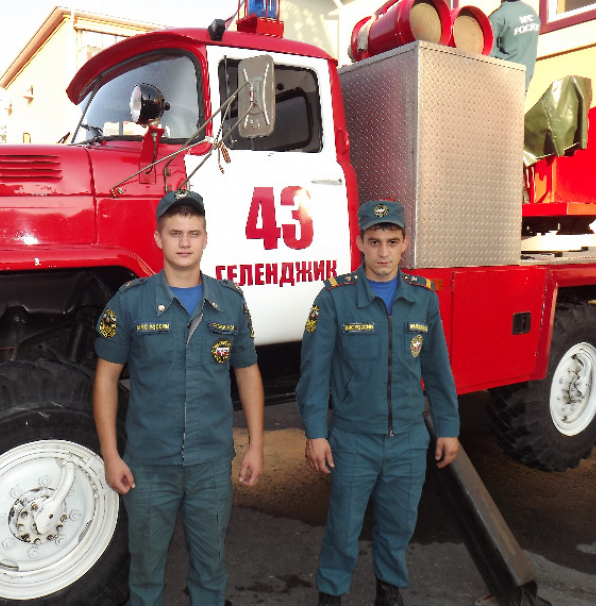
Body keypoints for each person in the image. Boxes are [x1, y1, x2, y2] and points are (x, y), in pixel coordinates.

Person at [93, 188, 265, 606]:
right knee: (145, 575)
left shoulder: (229, 302)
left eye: (193, 232)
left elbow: (248, 373)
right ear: (158, 239)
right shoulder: (130, 303)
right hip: (149, 466)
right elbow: (104, 381)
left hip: (209, 463)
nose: (185, 242)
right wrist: (111, 455)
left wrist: (257, 446)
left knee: (211, 571)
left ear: (206, 238)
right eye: (175, 233)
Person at [296, 199, 460, 606]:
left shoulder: (424, 298)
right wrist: (316, 433)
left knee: (399, 523)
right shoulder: (335, 298)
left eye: (392, 241)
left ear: (405, 243)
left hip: (407, 437)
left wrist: (449, 427)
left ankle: (389, 589)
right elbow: (314, 375)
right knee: (343, 527)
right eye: (374, 241)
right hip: (354, 439)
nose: (383, 252)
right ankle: (331, 592)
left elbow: (438, 371)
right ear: (360, 244)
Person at [489, 0, 540, 93]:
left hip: (502, 87)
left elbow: (487, 57)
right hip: (523, 85)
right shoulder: (532, 14)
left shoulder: (498, 18)